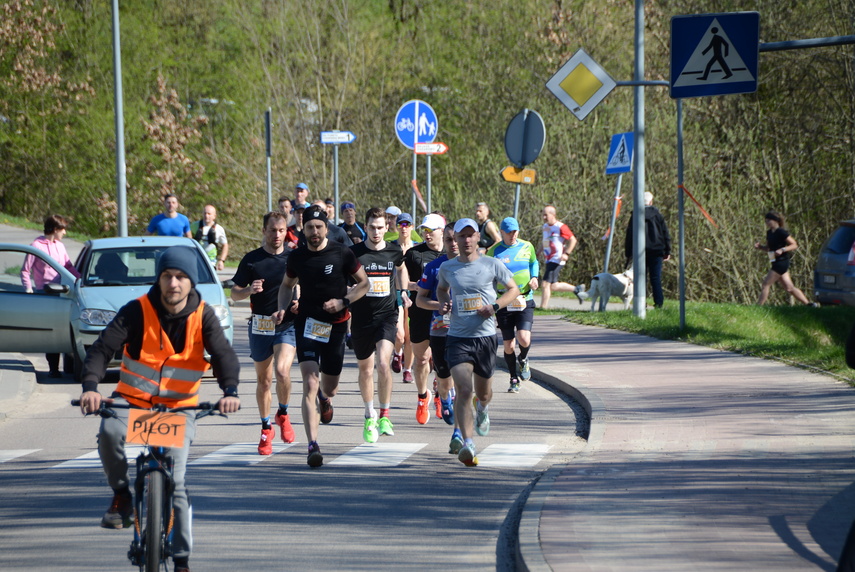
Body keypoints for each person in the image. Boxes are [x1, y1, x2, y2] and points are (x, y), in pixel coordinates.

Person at [78, 246, 241, 572]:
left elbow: (223, 354)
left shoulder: (203, 315)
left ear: (190, 282)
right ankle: (122, 494)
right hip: (133, 402)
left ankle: (181, 559)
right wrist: (91, 389)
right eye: (168, 276)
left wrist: (230, 391)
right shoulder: (136, 310)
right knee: (109, 432)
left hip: (179, 408)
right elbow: (101, 348)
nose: (174, 283)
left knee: (176, 482)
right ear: (160, 279)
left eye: (181, 277)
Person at [275, 207, 369, 467]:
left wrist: (343, 302)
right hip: (307, 324)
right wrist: (283, 308)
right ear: (302, 230)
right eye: (309, 228)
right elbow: (286, 285)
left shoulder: (342, 253)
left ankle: (325, 399)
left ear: (326, 229)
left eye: (319, 227)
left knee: (329, 387)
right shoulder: (297, 257)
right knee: (309, 382)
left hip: (336, 326)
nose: (314, 232)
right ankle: (312, 445)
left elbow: (364, 283)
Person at [436, 219, 519, 466]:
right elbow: (441, 290)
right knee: (463, 390)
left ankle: (482, 409)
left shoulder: (491, 264)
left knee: (483, 393)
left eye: (471, 236)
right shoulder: (448, 268)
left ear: (477, 238)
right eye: (462, 236)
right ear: (456, 239)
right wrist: (444, 301)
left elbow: (513, 289)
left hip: (484, 338)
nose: (467, 240)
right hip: (458, 338)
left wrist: (494, 306)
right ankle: (468, 444)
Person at [231, 212, 298, 455]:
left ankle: (283, 413)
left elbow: (303, 285)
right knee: (264, 380)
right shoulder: (252, 260)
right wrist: (249, 290)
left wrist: (298, 303)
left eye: (281, 230)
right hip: (260, 325)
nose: (277, 235)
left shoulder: (293, 258)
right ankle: (266, 427)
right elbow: (234, 293)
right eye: (273, 230)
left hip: (287, 324)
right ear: (264, 231)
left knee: (282, 371)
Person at [349, 207, 409, 442]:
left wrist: (403, 291)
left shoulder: (394, 250)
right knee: (365, 369)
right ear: (366, 227)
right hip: (362, 317)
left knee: (384, 364)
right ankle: (369, 414)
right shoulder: (354, 253)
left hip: (387, 315)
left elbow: (401, 268)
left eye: (380, 227)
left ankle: (385, 414)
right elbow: (345, 280)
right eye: (372, 227)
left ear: (387, 228)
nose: (376, 232)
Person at [21, 214, 82, 377]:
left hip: (63, 291)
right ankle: (53, 369)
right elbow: (25, 270)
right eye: (63, 229)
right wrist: (28, 290)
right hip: (45, 293)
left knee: (65, 329)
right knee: (51, 331)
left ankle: (69, 364)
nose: (65, 233)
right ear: (55, 229)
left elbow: (68, 266)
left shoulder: (60, 246)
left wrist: (81, 280)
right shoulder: (36, 246)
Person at [487, 217, 539, 393]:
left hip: (525, 298)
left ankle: (523, 359)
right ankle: (513, 378)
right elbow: (486, 273)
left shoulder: (527, 246)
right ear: (501, 232)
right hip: (504, 301)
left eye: (515, 231)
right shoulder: (494, 251)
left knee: (524, 338)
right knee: (508, 345)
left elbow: (534, 262)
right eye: (508, 232)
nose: (512, 235)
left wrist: (534, 277)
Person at [404, 212, 446, 424]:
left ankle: (441, 394)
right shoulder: (414, 254)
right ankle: (423, 396)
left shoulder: (451, 254)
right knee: (421, 359)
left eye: (431, 231)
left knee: (442, 360)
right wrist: (418, 286)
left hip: (444, 313)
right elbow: (403, 282)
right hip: (420, 310)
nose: (427, 234)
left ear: (443, 231)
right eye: (424, 231)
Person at [416, 222, 459, 428]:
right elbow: (420, 300)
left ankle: (460, 406)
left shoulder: (475, 265)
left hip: (466, 330)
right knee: (444, 374)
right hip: (440, 328)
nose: (453, 244)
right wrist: (439, 305)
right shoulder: (434, 267)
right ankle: (444, 397)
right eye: (449, 240)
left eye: (456, 239)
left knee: (462, 371)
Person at [754, 211, 815, 306]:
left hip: (782, 262)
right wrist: (761, 247)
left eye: (769, 220)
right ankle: (809, 304)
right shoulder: (769, 233)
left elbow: (794, 244)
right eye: (766, 221)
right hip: (774, 261)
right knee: (789, 288)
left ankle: (758, 307)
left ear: (776, 221)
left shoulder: (781, 232)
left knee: (766, 284)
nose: (767, 223)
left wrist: (782, 249)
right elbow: (770, 249)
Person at [624, 191, 671, 309]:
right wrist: (667, 251)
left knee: (640, 278)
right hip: (657, 250)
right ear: (651, 202)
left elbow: (630, 235)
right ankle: (659, 303)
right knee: (655, 278)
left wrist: (628, 253)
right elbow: (665, 233)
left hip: (640, 251)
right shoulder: (658, 215)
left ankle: (641, 303)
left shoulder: (635, 215)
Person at [538, 204, 583, 309]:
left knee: (545, 284)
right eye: (543, 215)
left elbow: (573, 240)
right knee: (553, 286)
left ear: (553, 215)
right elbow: (545, 240)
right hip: (548, 258)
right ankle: (577, 289)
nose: (544, 217)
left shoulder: (561, 227)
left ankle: (543, 307)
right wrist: (539, 251)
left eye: (546, 215)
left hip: (557, 259)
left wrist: (566, 253)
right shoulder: (545, 227)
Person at [392, 212, 417, 382]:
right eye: (401, 224)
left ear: (412, 227)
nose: (404, 228)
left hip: (413, 293)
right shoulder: (391, 247)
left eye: (407, 224)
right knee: (399, 334)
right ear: (397, 227)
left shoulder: (416, 248)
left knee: (410, 336)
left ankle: (408, 370)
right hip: (395, 292)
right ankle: (396, 352)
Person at [191, 204, 229, 271]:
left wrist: (221, 260)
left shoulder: (219, 229)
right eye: (205, 213)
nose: (206, 216)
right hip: (195, 260)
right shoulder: (194, 226)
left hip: (211, 262)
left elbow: (225, 245)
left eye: (209, 214)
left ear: (214, 216)